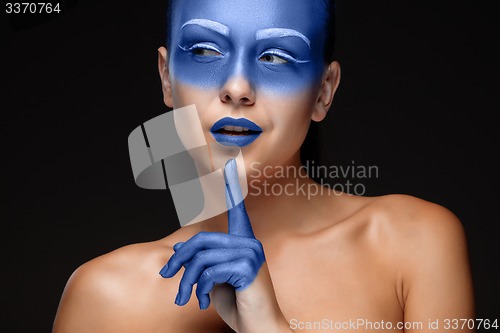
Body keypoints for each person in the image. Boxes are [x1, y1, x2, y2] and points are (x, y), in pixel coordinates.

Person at [52, 0, 474, 332]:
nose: (237, 88)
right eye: (204, 50)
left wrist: (269, 327)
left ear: (324, 91)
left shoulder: (413, 242)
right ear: (166, 77)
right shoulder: (104, 295)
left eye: (275, 58)